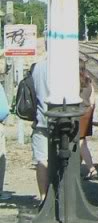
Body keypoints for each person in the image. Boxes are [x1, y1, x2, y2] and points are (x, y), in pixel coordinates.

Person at [30, 59, 51, 200]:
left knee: (42, 160)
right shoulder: (66, 64)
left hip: (40, 118)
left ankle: (43, 197)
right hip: (62, 119)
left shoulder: (37, 66)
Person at [78, 60, 97, 179]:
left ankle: (91, 168)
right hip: (87, 111)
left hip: (78, 112)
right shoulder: (88, 80)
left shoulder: (73, 81)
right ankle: (76, 168)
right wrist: (90, 110)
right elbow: (93, 99)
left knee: (80, 142)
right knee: (81, 139)